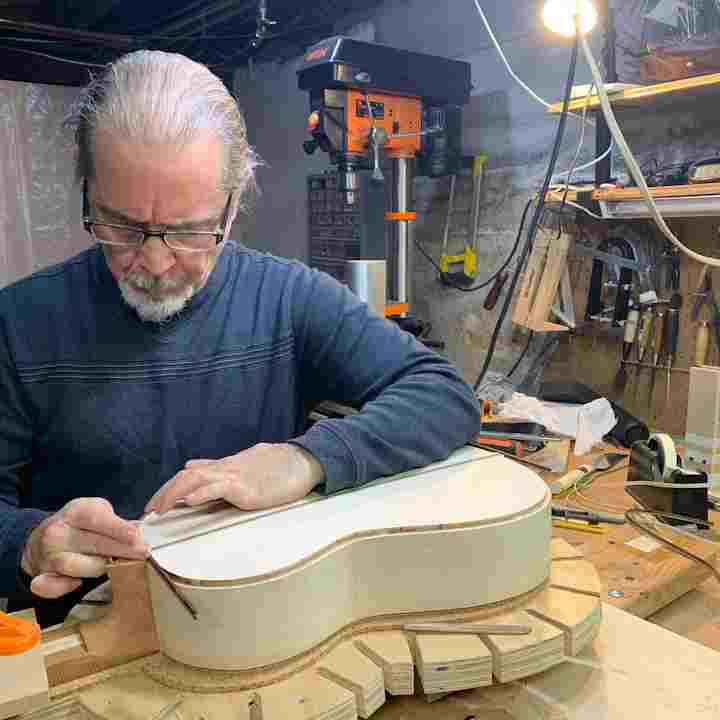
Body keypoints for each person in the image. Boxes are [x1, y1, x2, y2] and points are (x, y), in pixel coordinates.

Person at [0, 50, 481, 626]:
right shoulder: (17, 323)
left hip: (256, 629)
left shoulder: (288, 298)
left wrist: (305, 458)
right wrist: (30, 542)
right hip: (87, 651)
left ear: (232, 205)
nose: (154, 262)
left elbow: (444, 395)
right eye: (122, 226)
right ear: (87, 190)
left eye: (190, 231)